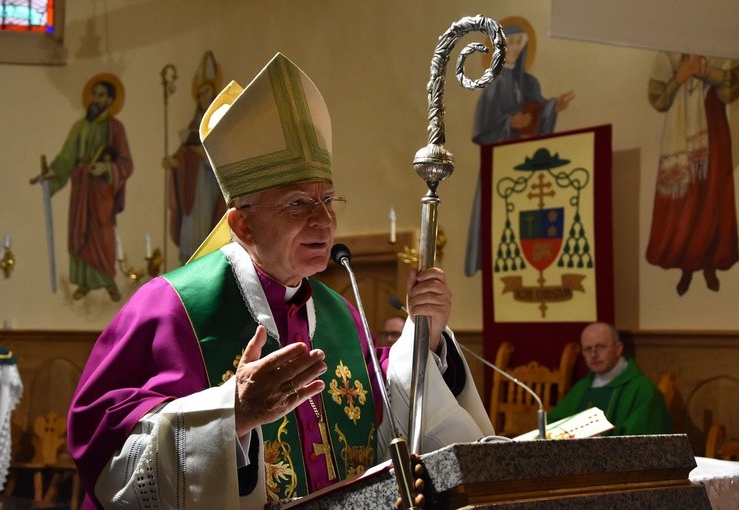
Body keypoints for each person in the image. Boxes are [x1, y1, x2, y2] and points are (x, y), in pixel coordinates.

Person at [68, 53, 492, 509]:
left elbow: (385, 401)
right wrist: (231, 414)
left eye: (328, 199)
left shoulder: (337, 312)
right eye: (296, 204)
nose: (325, 220)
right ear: (243, 225)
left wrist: (423, 338)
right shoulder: (171, 308)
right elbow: (103, 439)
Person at [465, 16, 575, 277]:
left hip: (526, 165)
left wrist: (551, 107)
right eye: (509, 43)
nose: (514, 48)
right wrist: (509, 123)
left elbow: (538, 112)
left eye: (517, 43)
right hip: (500, 165)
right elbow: (482, 130)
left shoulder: (529, 83)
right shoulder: (493, 84)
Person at [645, 52, 739, 296]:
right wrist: (679, 78)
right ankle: (686, 264)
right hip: (680, 138)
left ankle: (711, 263)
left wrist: (709, 72)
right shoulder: (667, 56)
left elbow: (730, 90)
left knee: (713, 198)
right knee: (684, 202)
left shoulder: (721, 48)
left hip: (713, 132)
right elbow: (659, 101)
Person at [47, 73, 133, 302]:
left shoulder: (116, 128)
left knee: (102, 235)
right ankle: (84, 282)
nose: (96, 99)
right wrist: (52, 173)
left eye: (102, 95)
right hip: (81, 190)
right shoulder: (79, 127)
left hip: (102, 192)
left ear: (110, 99)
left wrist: (106, 168)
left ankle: (108, 280)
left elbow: (126, 163)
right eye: (94, 94)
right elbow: (66, 158)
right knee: (79, 232)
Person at [547, 322, 671, 436]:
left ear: (618, 348)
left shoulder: (643, 390)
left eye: (600, 347)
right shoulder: (582, 388)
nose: (594, 355)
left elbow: (643, 439)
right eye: (588, 349)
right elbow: (553, 425)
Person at [162, 51, 227, 263]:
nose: (202, 97)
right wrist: (174, 162)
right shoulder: (194, 123)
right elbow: (184, 151)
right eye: (200, 94)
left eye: (206, 91)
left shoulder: (220, 122)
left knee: (206, 225)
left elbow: (225, 158)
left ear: (214, 92)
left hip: (210, 185)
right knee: (191, 227)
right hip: (192, 185)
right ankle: (189, 263)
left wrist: (204, 157)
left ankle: (204, 262)